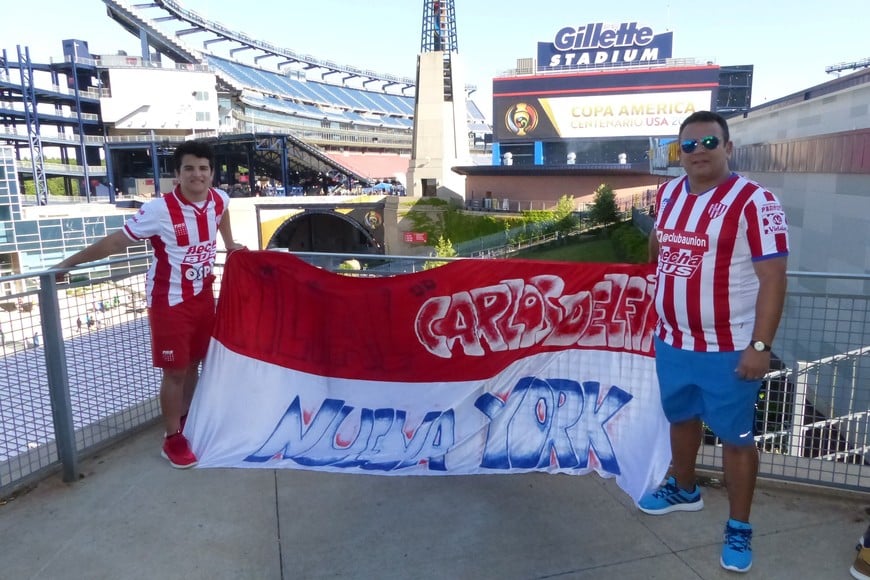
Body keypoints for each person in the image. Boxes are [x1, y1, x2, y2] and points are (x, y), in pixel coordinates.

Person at [638, 111, 789, 573]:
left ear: (728, 147)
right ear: (678, 153)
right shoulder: (666, 194)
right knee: (681, 418)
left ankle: (739, 528)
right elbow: (658, 247)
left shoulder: (756, 202)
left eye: (709, 141)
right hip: (674, 341)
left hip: (729, 347)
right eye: (688, 144)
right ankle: (684, 488)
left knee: (736, 438)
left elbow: (774, 278)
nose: (698, 150)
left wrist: (760, 347)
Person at [54, 140, 245, 469]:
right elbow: (116, 241)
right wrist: (69, 263)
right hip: (169, 302)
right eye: (189, 169)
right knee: (175, 372)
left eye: (203, 169)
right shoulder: (160, 210)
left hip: (203, 298)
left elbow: (223, 211)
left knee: (195, 364)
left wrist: (230, 244)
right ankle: (172, 438)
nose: (196, 175)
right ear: (177, 174)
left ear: (212, 174)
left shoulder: (218, 198)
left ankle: (186, 421)